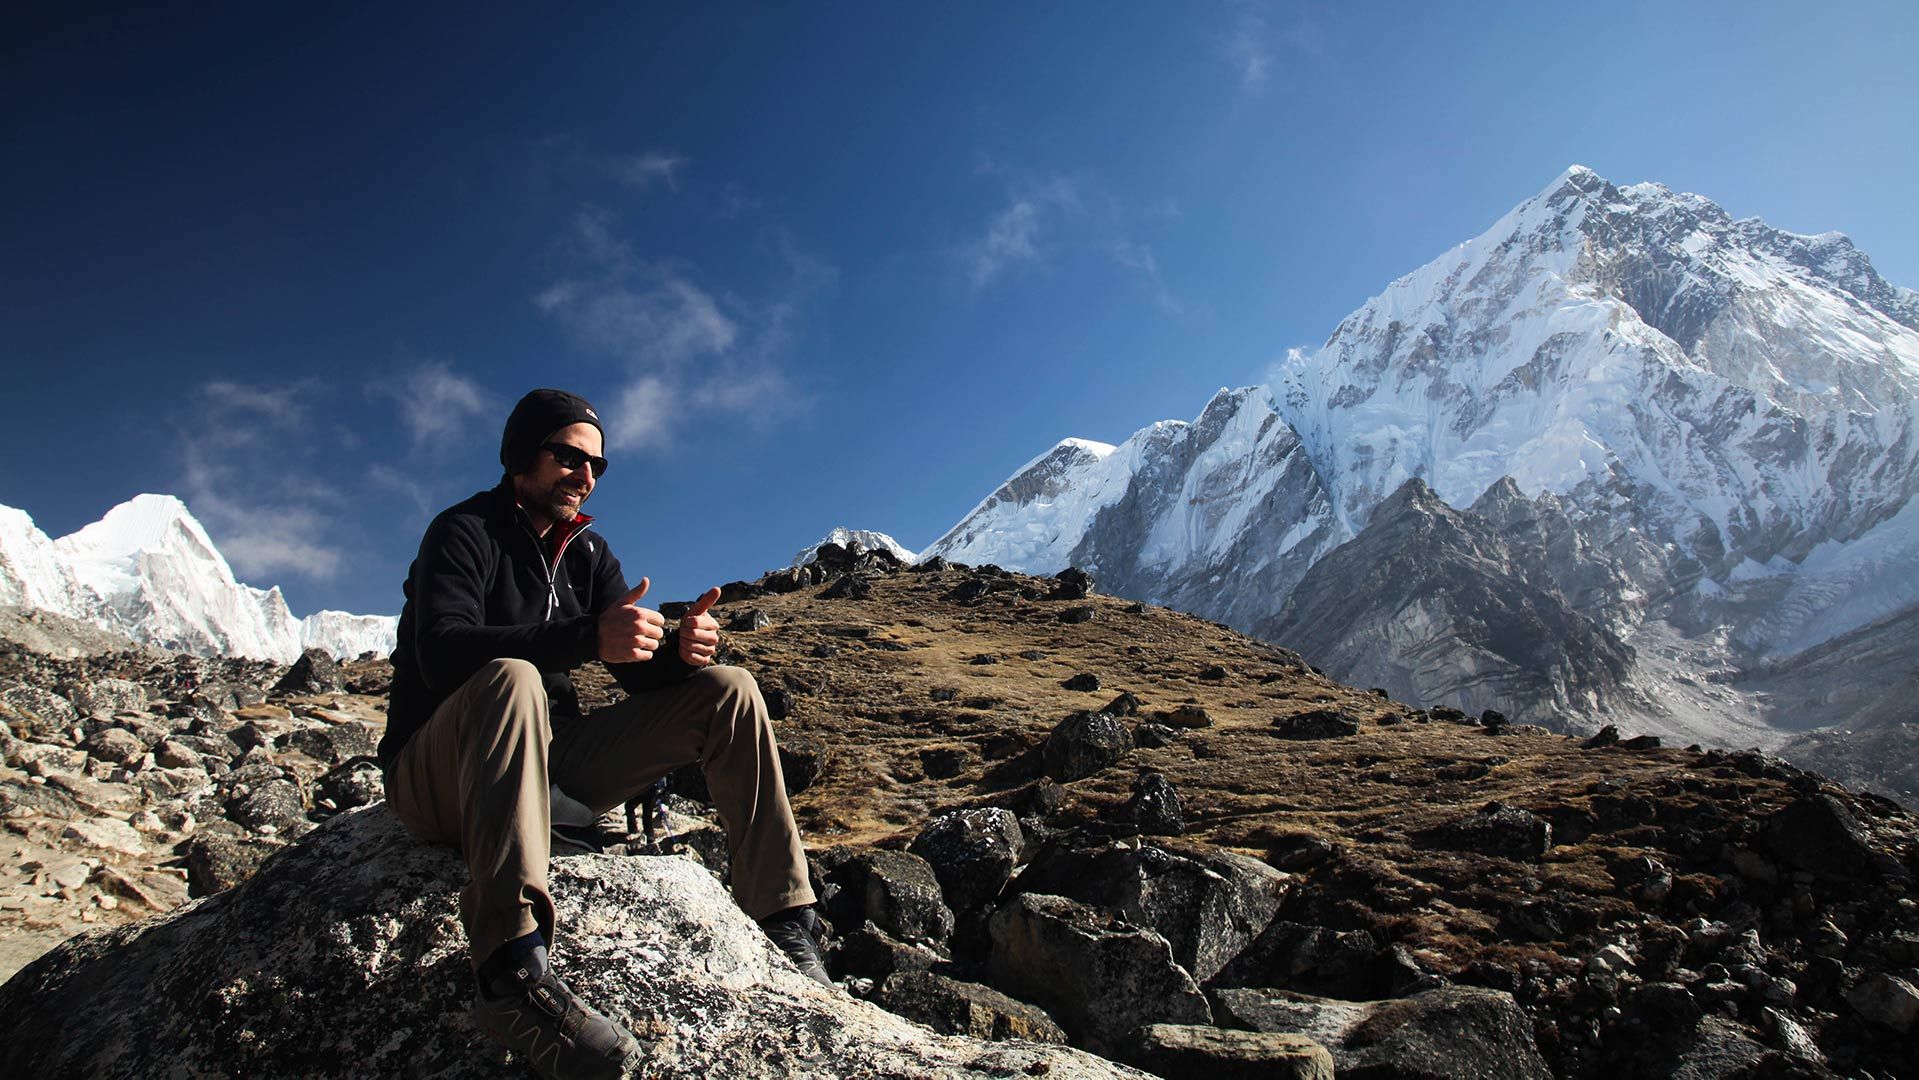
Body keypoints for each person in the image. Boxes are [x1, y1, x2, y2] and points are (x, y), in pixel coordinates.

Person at [379, 388, 827, 1080]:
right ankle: (510, 974)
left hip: (547, 768)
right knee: (511, 677)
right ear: (521, 456)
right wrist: (588, 635)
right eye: (567, 457)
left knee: (729, 691)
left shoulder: (587, 554)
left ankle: (785, 921)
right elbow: (440, 652)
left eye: (596, 465)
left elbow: (636, 677)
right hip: (436, 774)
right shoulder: (463, 531)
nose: (584, 476)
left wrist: (676, 652)